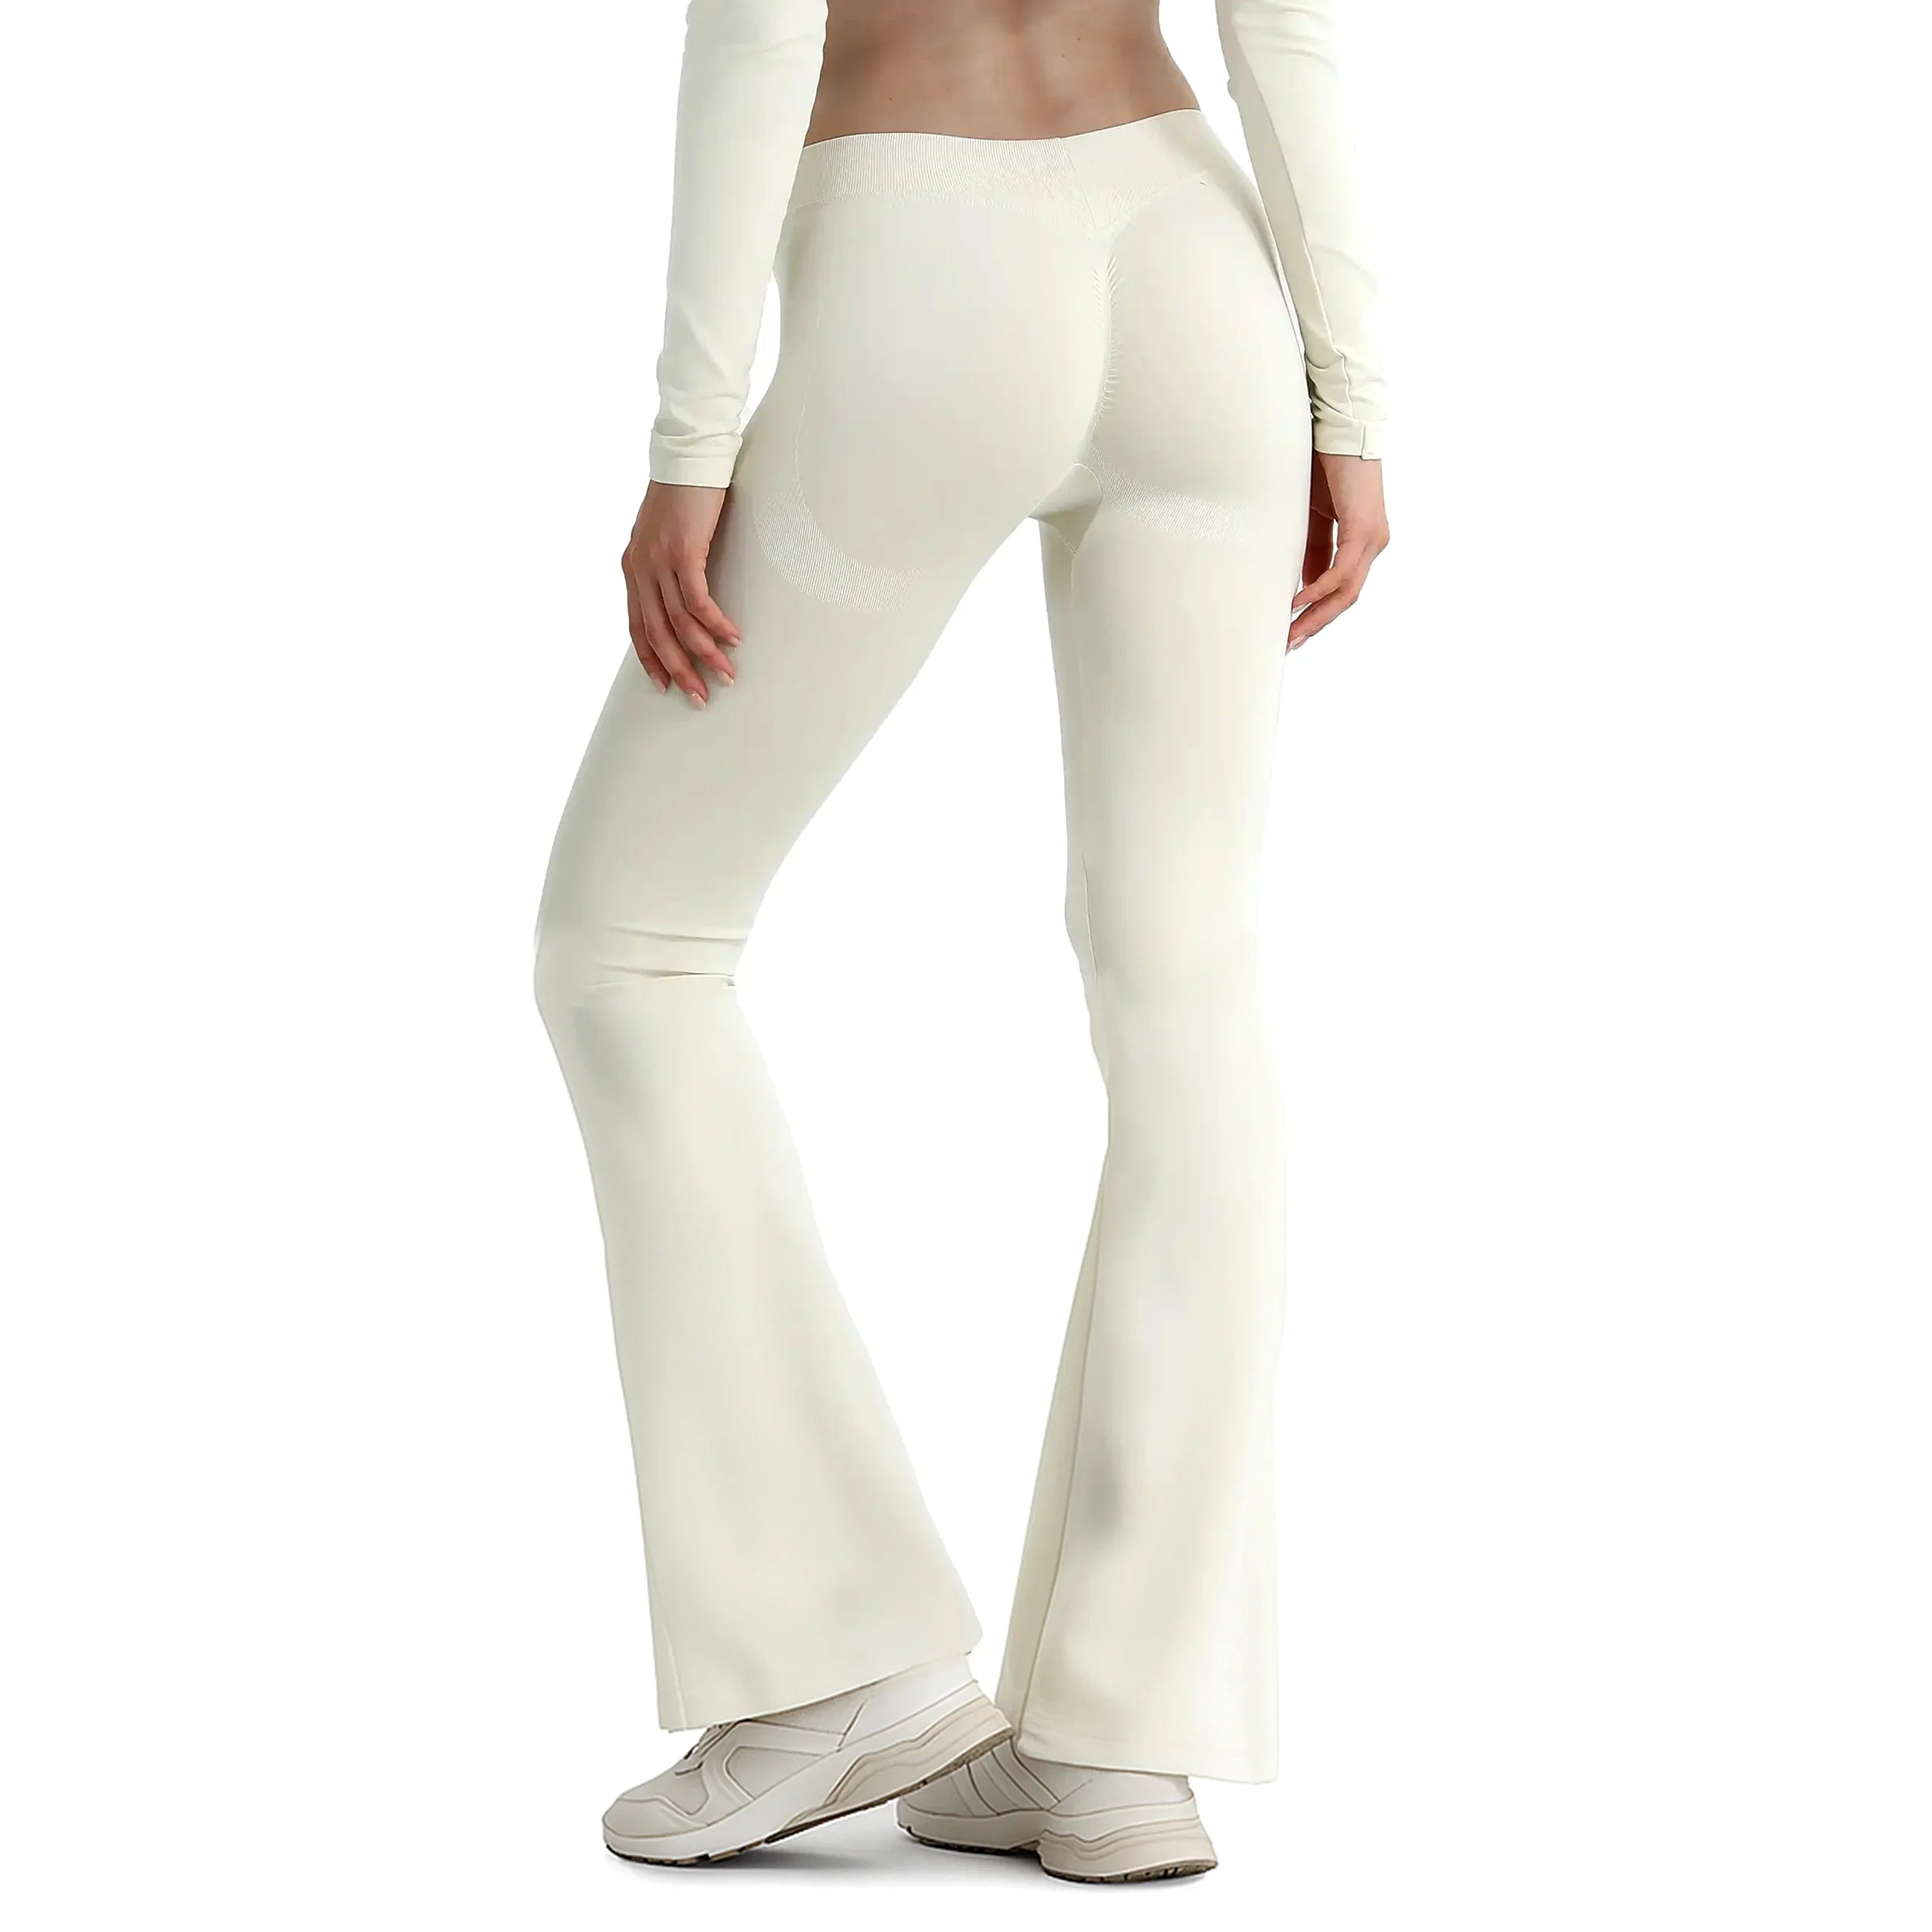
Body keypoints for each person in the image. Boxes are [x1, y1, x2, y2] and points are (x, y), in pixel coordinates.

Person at [533, 0, 1388, 1883]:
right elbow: (1285, 31)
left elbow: (763, 34)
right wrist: (1350, 399)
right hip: (1193, 263)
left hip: (922, 257)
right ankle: (1117, 1740)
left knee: (628, 943)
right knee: (1185, 986)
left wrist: (691, 439)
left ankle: (830, 1657)